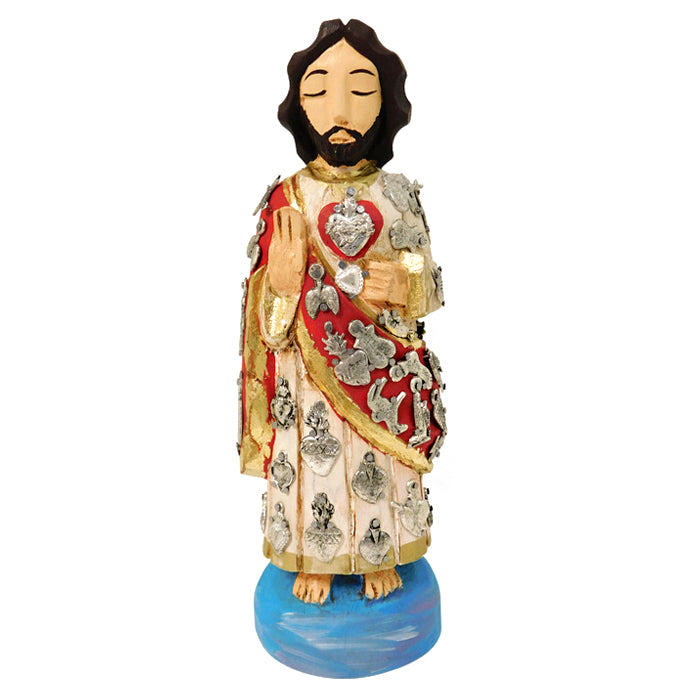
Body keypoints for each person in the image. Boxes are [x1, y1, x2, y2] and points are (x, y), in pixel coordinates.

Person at [239, 19, 446, 604]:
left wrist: (404, 284)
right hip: (310, 377)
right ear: (298, 105)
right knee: (316, 459)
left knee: (377, 459)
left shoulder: (397, 194)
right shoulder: (286, 199)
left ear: (386, 102)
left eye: (359, 90)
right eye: (320, 91)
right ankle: (315, 557)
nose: (340, 110)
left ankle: (384, 551)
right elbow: (262, 327)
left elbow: (430, 282)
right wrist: (282, 286)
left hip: (382, 372)